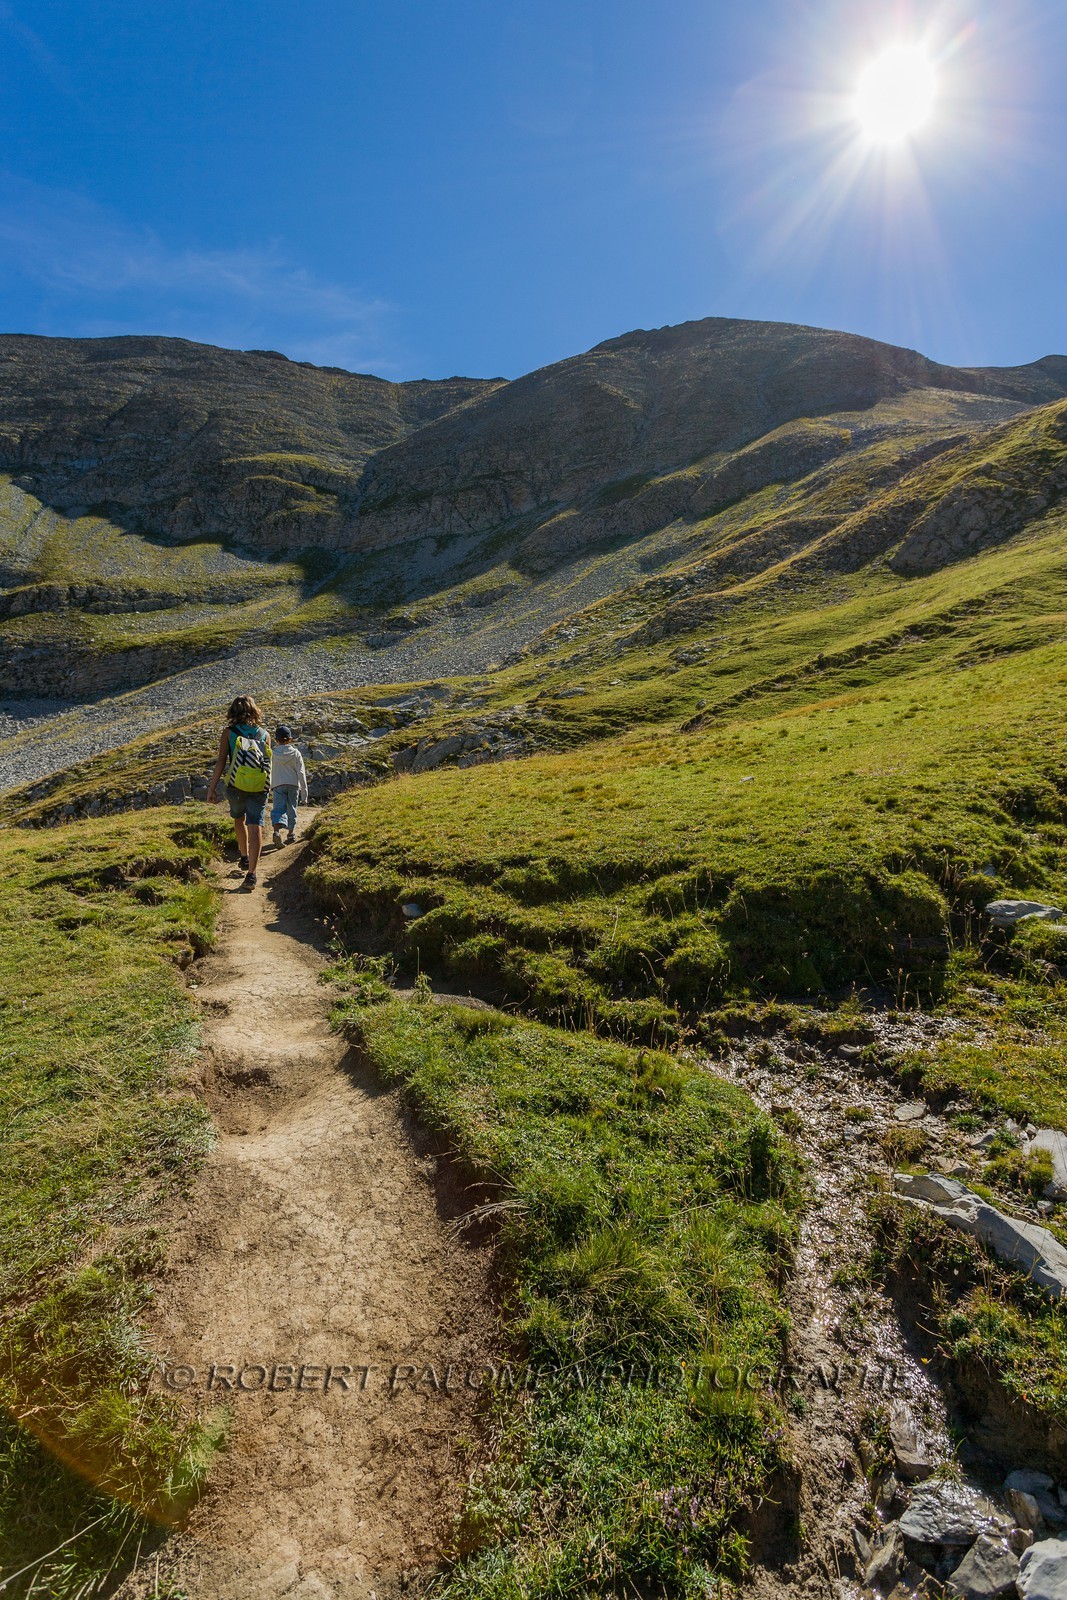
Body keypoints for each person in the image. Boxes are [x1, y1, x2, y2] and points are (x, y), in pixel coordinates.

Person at [206, 695, 273, 890]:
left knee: (239, 819)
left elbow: (221, 762)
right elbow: (267, 764)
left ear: (233, 712)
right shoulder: (265, 734)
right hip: (259, 787)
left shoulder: (229, 733)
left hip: (236, 785)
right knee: (256, 826)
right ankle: (252, 874)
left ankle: (243, 856)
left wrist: (212, 789)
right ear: (255, 711)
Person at [270, 725, 308, 846]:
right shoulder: (296, 753)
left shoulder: (273, 753)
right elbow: (301, 773)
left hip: (278, 783)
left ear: (276, 739)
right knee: (292, 807)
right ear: (290, 739)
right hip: (293, 784)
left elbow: (268, 769)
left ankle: (276, 831)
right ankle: (291, 834)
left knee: (278, 808)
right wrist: (304, 795)